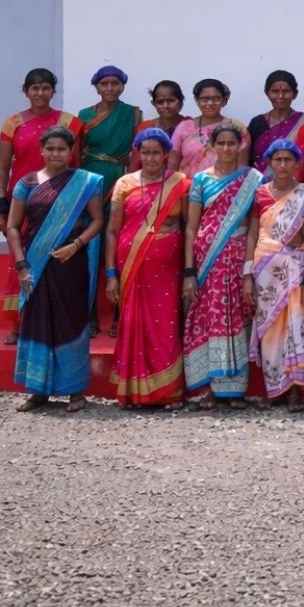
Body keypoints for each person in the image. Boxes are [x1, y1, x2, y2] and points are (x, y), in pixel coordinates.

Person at [4, 126, 104, 413]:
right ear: (41, 150)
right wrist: (22, 265)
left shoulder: (85, 181)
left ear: (71, 151)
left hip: (70, 264)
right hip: (35, 262)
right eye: (50, 149)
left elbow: (97, 220)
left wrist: (76, 245)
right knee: (36, 323)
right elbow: (12, 226)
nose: (55, 154)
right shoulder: (28, 183)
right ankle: (38, 390)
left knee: (70, 322)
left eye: (61, 149)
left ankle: (75, 392)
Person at [0, 68, 82, 344]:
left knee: (54, 260)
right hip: (22, 199)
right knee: (22, 260)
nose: (40, 93)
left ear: (53, 91)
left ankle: (52, 320)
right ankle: (19, 324)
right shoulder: (13, 123)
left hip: (60, 200)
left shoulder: (69, 122)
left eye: (46, 88)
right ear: (26, 91)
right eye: (35, 88)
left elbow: (76, 164)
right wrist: (1, 203)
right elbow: (4, 167)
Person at [105, 128, 189, 409]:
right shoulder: (124, 184)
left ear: (166, 155)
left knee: (165, 325)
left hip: (167, 270)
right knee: (133, 325)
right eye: (145, 152)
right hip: (130, 266)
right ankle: (132, 392)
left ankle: (167, 392)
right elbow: (113, 231)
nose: (150, 158)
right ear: (137, 154)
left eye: (156, 153)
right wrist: (110, 274)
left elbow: (189, 228)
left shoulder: (180, 183)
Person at [182, 123, 261, 409]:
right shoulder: (200, 180)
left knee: (236, 316)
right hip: (206, 258)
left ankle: (235, 388)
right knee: (209, 316)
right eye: (222, 143)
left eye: (232, 143)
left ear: (240, 145)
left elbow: (254, 226)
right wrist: (189, 271)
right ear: (212, 146)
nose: (227, 149)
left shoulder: (253, 179)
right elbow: (191, 227)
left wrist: (249, 267)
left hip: (239, 254)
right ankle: (211, 387)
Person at [248, 140, 304, 411]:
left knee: (295, 326)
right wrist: (247, 272)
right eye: (277, 160)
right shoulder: (260, 194)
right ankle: (274, 386)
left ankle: (294, 392)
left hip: (295, 268)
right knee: (270, 330)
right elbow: (253, 233)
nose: (282, 165)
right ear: (269, 162)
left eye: (288, 160)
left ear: (297, 163)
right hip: (264, 268)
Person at [78, 65, 141, 335]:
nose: (110, 88)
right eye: (104, 84)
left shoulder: (133, 114)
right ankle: (89, 316)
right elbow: (78, 151)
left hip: (120, 180)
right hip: (90, 182)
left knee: (119, 247)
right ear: (96, 86)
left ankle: (119, 314)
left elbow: (138, 151)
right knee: (90, 248)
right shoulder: (84, 115)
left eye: (115, 83)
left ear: (123, 86)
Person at [247, 70, 304, 180]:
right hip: (258, 187)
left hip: (293, 186)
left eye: (286, 91)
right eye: (275, 91)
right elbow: (248, 160)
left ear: (295, 94)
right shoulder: (257, 123)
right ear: (267, 93)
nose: (280, 96)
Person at [170, 79, 245, 180]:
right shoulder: (184, 127)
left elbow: (242, 167)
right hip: (187, 190)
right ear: (197, 101)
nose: (210, 103)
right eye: (204, 99)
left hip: (224, 189)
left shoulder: (237, 128)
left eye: (216, 98)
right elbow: (172, 165)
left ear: (224, 100)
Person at [129, 80, 186, 170]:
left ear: (180, 101)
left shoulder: (190, 126)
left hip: (182, 180)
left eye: (171, 101)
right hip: (150, 179)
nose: (166, 106)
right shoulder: (145, 128)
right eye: (160, 102)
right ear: (154, 103)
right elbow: (136, 161)